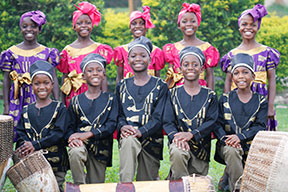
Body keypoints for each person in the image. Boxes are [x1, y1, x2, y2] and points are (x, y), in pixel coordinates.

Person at [0, 10, 60, 140]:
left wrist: (57, 100)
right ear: (20, 28)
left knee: (37, 130)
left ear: (39, 29)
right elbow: (6, 79)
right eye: (25, 26)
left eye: (33, 26)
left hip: (38, 97)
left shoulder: (46, 52)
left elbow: (53, 77)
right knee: (12, 134)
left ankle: (37, 159)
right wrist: (6, 106)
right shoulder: (11, 52)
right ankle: (14, 159)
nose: (29, 29)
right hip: (17, 98)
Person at [116, 36, 168, 182]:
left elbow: (159, 118)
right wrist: (123, 126)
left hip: (151, 141)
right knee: (128, 140)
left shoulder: (161, 86)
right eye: (133, 56)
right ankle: (125, 186)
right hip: (129, 137)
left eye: (142, 55)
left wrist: (141, 131)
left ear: (150, 60)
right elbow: (118, 114)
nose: (138, 59)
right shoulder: (122, 86)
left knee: (146, 184)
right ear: (128, 60)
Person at [221, 4, 280, 131]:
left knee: (261, 136)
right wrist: (226, 104)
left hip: (261, 96)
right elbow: (228, 80)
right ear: (239, 26)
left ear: (257, 26)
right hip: (237, 99)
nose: (248, 28)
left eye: (253, 25)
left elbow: (272, 81)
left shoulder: (267, 53)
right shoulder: (232, 55)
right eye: (244, 24)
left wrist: (270, 106)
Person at [214, 53, 268, 191]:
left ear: (253, 77)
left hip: (251, 146)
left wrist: (240, 137)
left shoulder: (261, 101)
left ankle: (228, 176)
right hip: (227, 145)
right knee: (232, 150)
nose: (241, 76)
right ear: (232, 78)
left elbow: (260, 126)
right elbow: (217, 124)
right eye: (236, 73)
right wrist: (226, 139)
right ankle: (238, 188)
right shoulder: (225, 99)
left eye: (245, 72)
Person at [163, 46, 218, 180]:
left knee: (197, 180)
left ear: (202, 69)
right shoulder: (172, 93)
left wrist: (192, 134)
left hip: (201, 147)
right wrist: (176, 138)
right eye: (186, 64)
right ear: (180, 69)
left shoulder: (210, 95)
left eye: (195, 64)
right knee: (178, 153)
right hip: (179, 141)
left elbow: (212, 121)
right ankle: (178, 184)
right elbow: (167, 121)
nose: (190, 68)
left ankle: (175, 177)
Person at [15, 60, 69, 192]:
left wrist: (35, 145)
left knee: (53, 188)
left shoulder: (60, 108)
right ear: (31, 85)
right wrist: (25, 145)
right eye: (37, 83)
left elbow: (58, 134)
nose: (41, 87)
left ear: (52, 84)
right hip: (31, 166)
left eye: (46, 83)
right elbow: (21, 133)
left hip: (55, 164)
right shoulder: (26, 110)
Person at [67, 53, 117, 185]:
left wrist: (88, 134)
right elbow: (70, 126)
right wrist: (72, 139)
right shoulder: (75, 101)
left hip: (101, 149)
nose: (95, 73)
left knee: (96, 186)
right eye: (90, 70)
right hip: (80, 145)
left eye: (99, 70)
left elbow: (111, 125)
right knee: (75, 152)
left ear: (104, 75)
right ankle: (79, 185)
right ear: (83, 76)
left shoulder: (111, 99)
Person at [57, 1, 113, 107]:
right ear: (74, 26)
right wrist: (63, 104)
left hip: (95, 94)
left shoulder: (100, 49)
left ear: (92, 25)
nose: (84, 26)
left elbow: (103, 76)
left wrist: (105, 98)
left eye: (87, 22)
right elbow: (65, 78)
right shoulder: (67, 51)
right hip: (73, 96)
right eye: (79, 23)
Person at [163, 3, 219, 89]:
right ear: (179, 25)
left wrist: (211, 97)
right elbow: (170, 75)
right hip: (178, 93)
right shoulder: (173, 49)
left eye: (193, 21)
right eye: (184, 21)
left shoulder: (207, 48)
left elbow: (209, 75)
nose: (188, 24)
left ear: (198, 23)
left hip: (200, 93)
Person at [114, 6, 165, 82]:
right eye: (134, 23)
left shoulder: (156, 52)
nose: (138, 26)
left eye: (141, 23)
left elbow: (158, 77)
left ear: (146, 26)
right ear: (130, 27)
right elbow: (119, 77)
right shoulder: (122, 51)